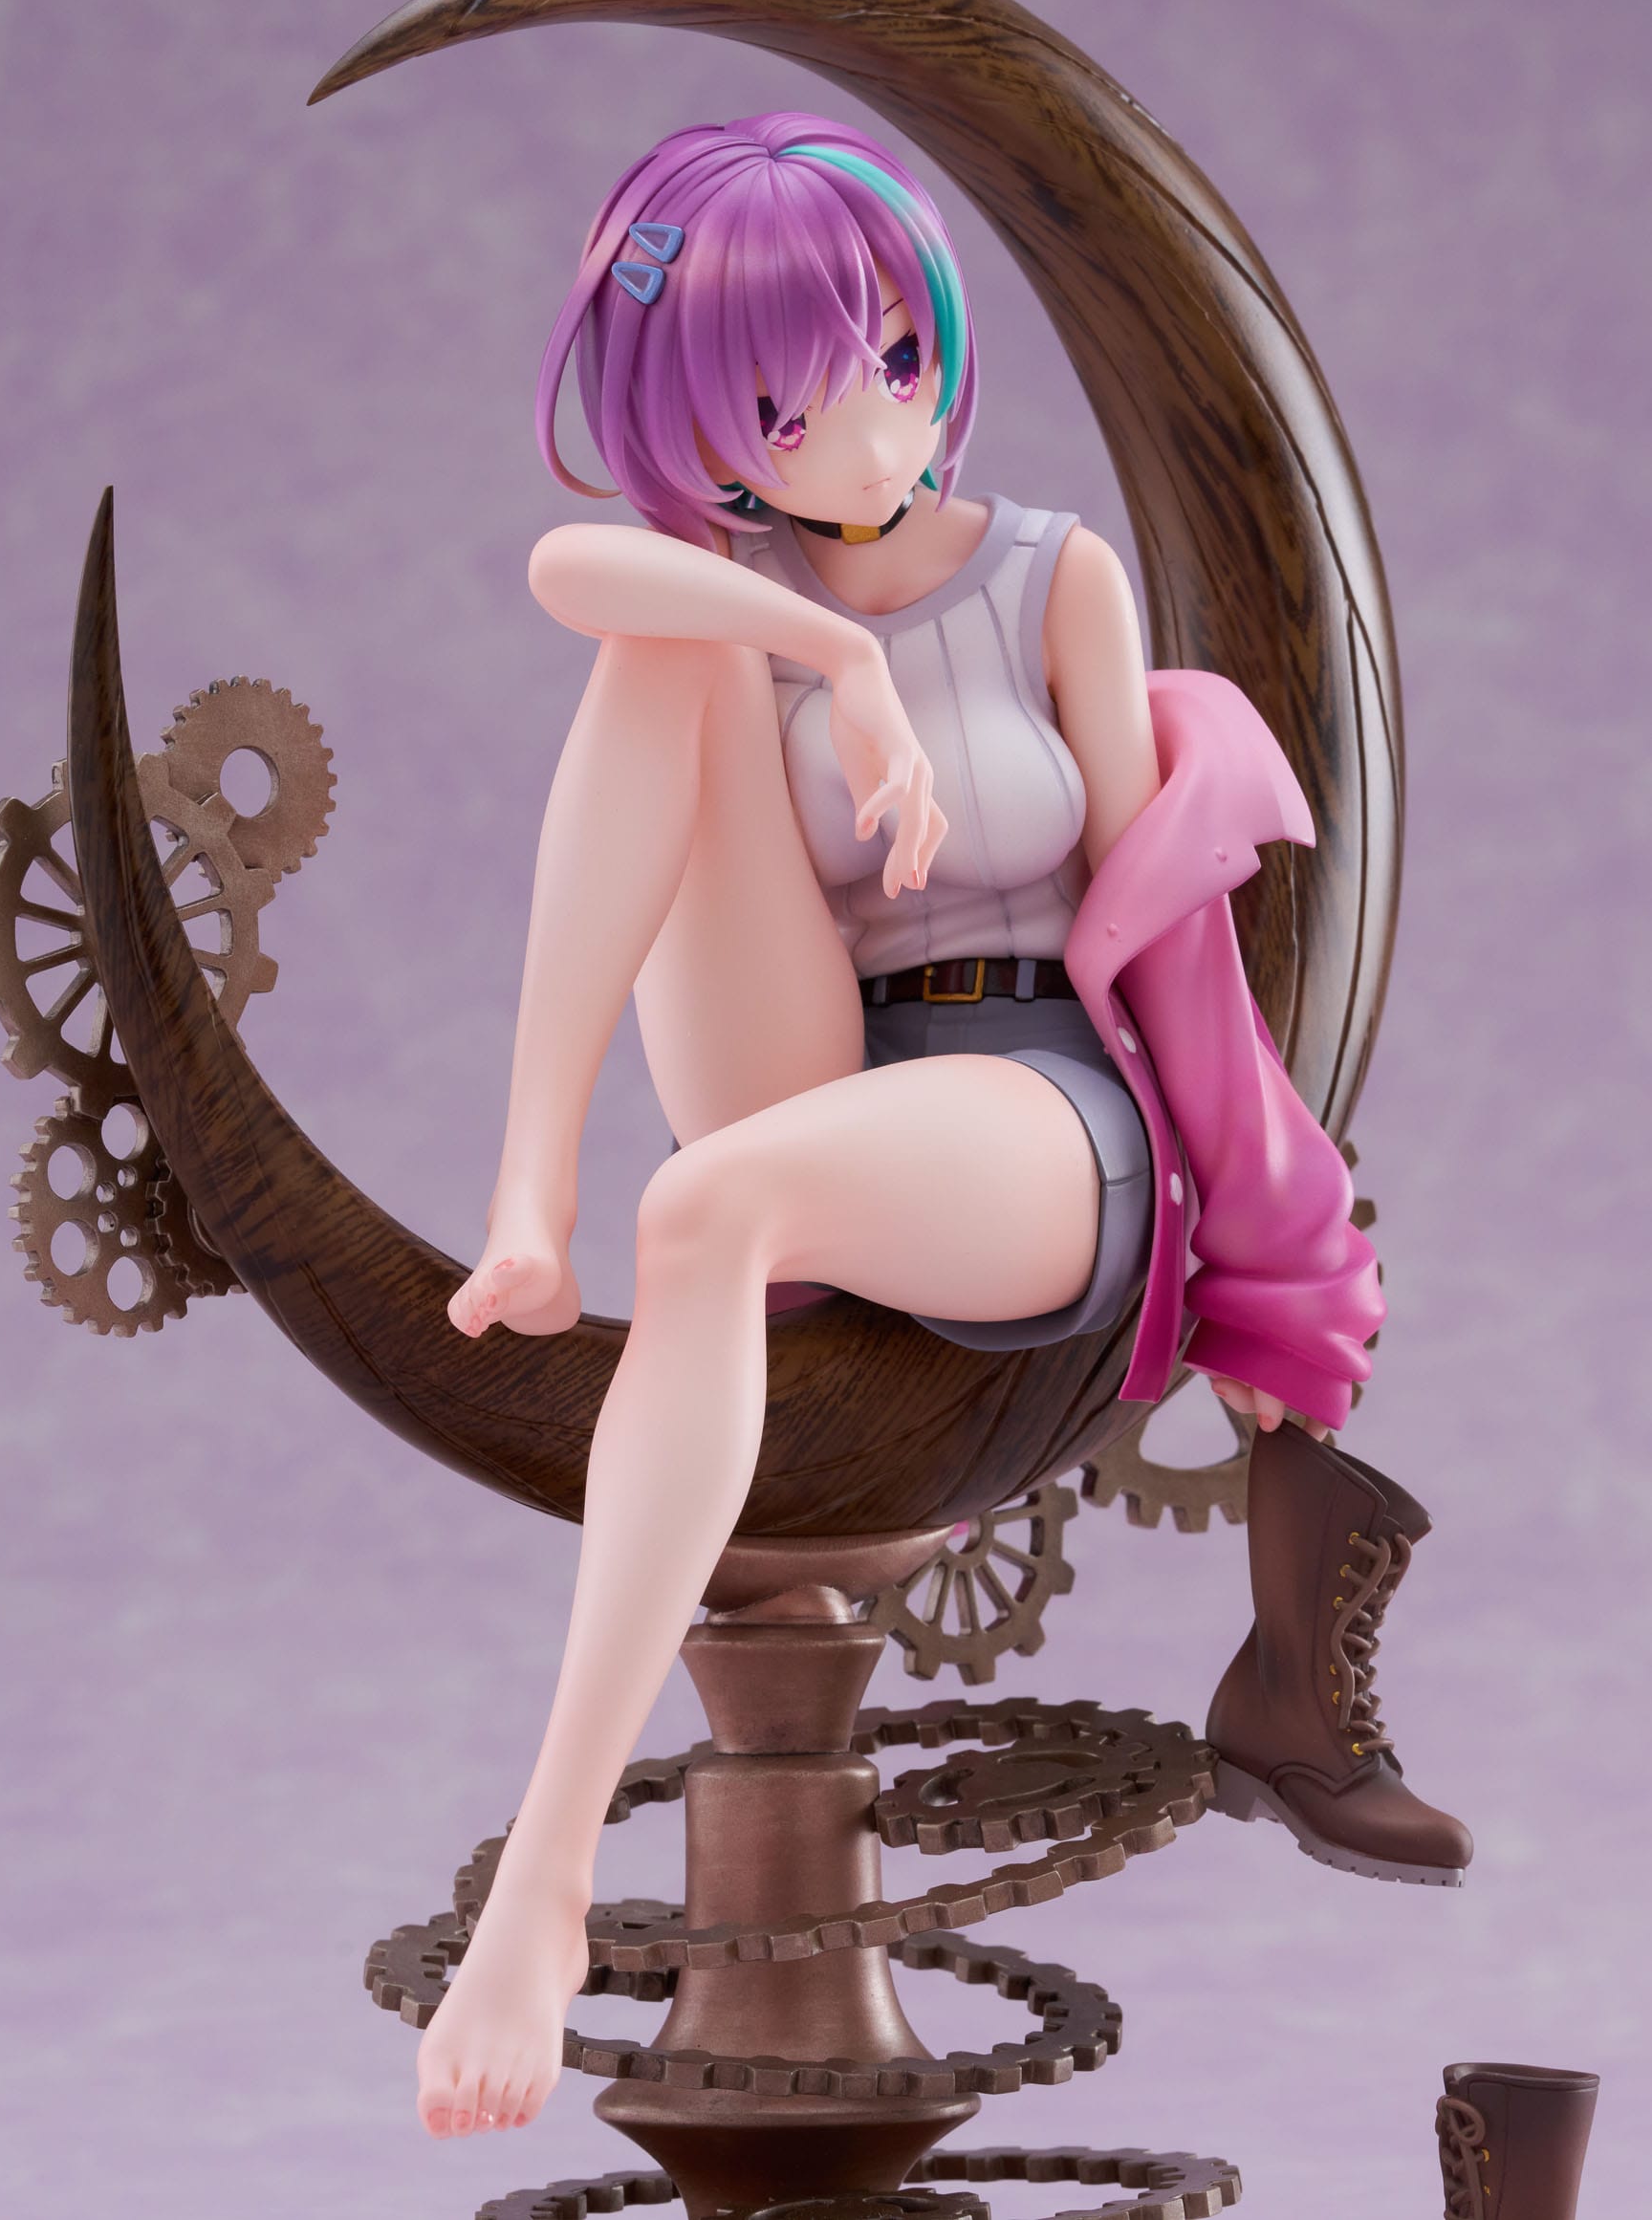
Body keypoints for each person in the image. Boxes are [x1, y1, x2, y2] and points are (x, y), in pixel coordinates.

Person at [422, 112, 1467, 2142]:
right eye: (791, 403)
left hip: (1036, 1100)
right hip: (823, 1067)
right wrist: (826, 652)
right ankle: (526, 1190)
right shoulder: (731, 590)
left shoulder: (1047, 573)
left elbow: (1159, 938)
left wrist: (1259, 1243)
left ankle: (543, 1875)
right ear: (708, 429)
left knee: (706, 1207)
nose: (876, 424)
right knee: (662, 644)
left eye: (897, 355)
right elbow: (565, 565)